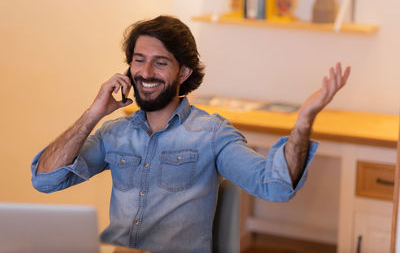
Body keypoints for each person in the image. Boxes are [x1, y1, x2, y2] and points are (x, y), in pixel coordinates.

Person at [31, 15, 350, 253]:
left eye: (160, 63)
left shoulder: (212, 134)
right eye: (138, 61)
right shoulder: (114, 133)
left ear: (183, 72)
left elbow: (275, 186)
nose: (145, 73)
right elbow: (45, 180)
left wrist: (304, 121)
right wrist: (92, 114)